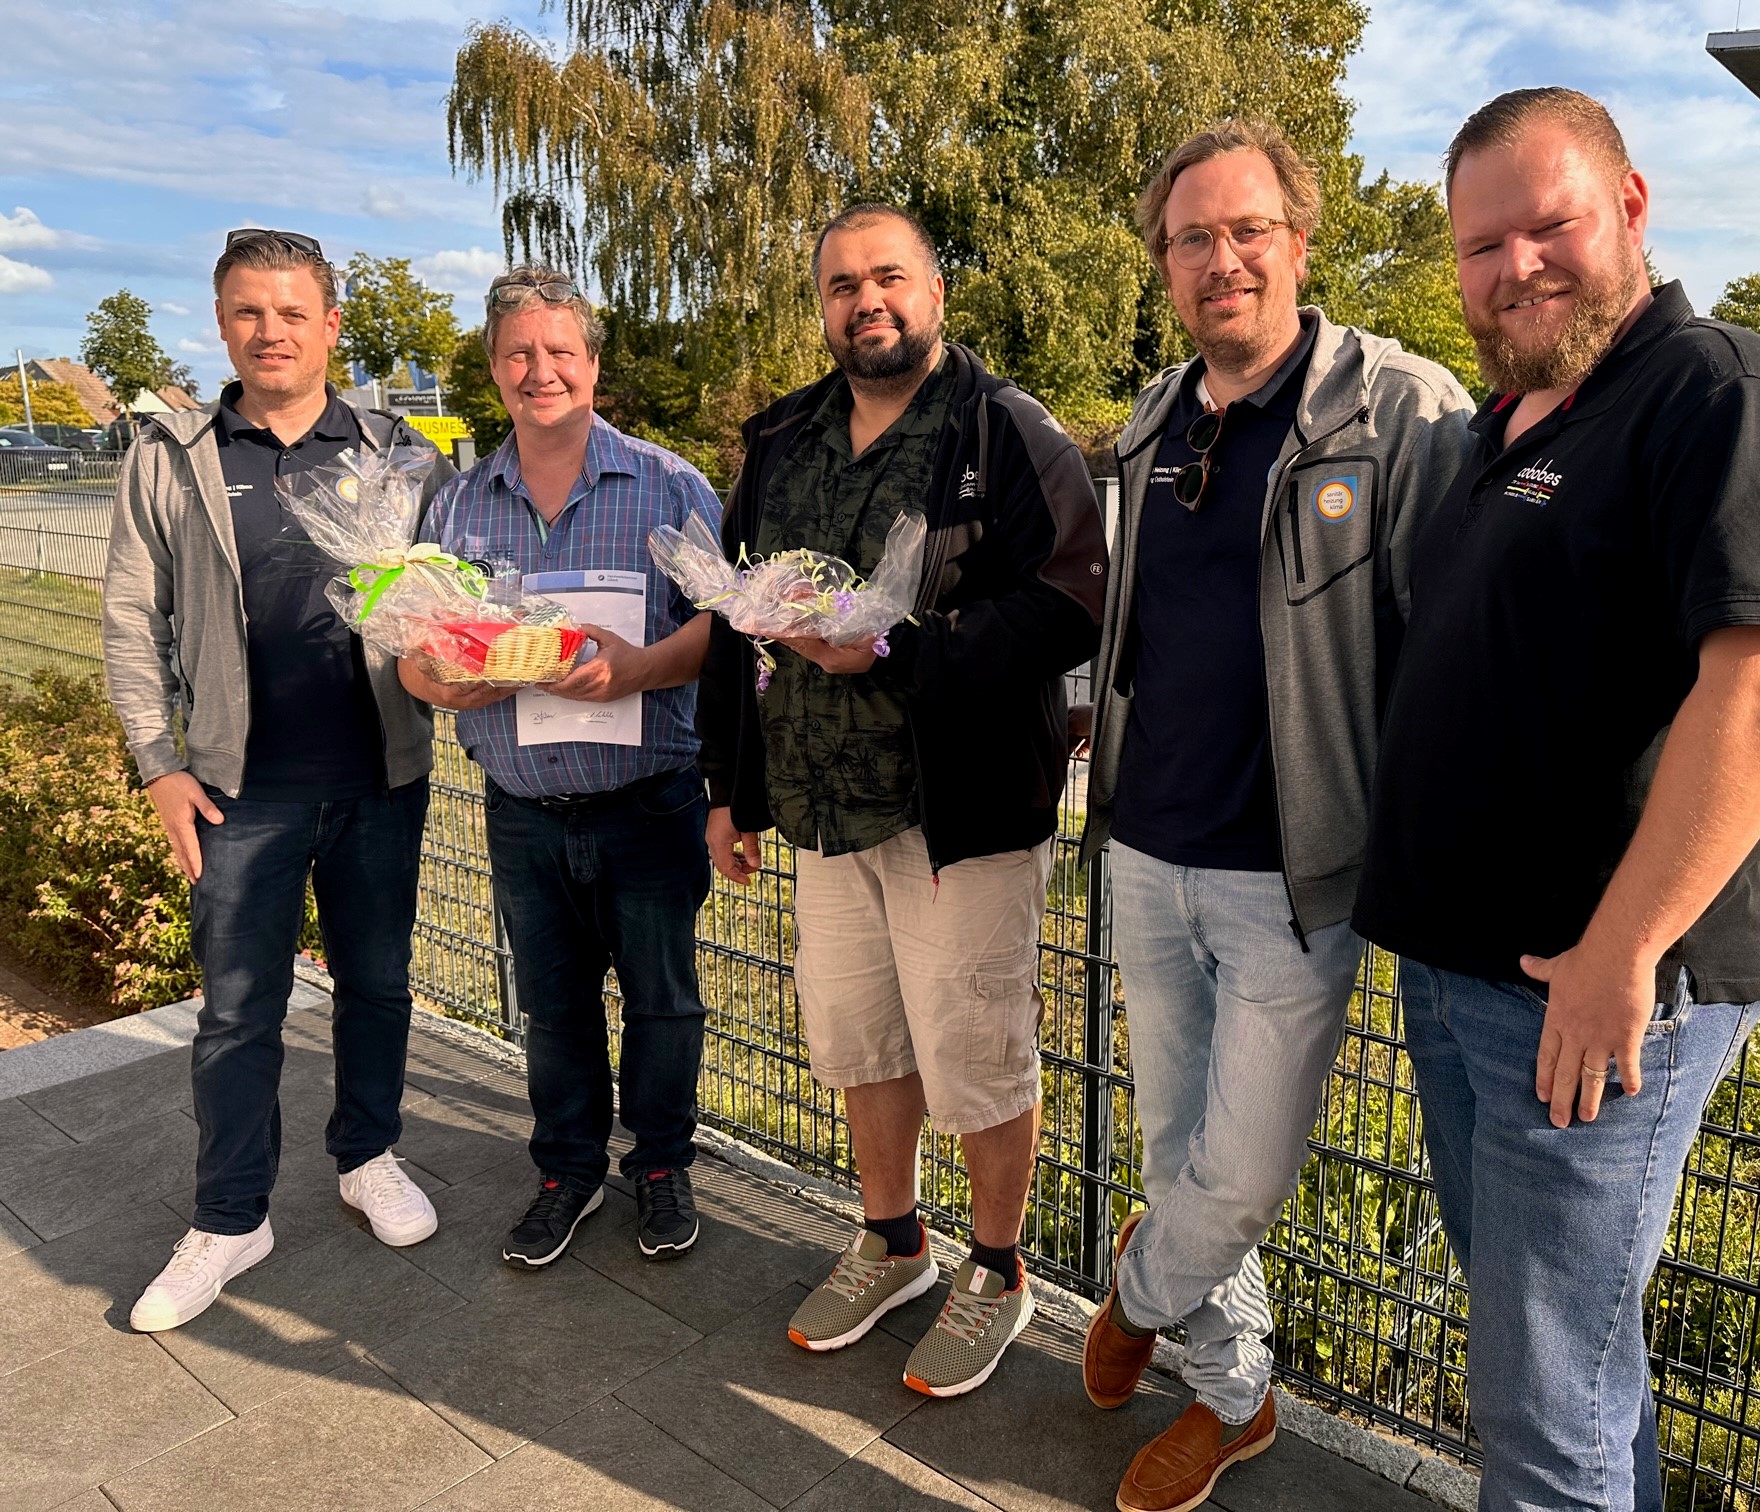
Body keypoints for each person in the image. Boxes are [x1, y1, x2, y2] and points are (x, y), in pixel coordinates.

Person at [1354, 89, 1760, 1511]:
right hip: (1470, 978)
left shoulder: (1716, 392)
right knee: (1567, 1363)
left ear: (1629, 206)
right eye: (1479, 244)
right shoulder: (1505, 426)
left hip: (1590, 993)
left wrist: (1622, 952)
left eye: (1547, 226)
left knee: (1542, 1411)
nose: (1515, 268)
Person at [1076, 121, 1475, 1512]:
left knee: (1239, 1171)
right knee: (1176, 1142)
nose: (1222, 259)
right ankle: (1234, 1394)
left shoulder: (1401, 409)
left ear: (1300, 241)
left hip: (1294, 875)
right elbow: (1133, 629)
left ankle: (1139, 1291)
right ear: (1165, 262)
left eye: (1249, 230)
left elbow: (1453, 640)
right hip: (1147, 849)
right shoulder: (1152, 420)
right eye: (1192, 237)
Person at [699, 204, 1105, 1398]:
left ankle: (997, 1269)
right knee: (861, 1038)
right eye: (840, 285)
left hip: (957, 815)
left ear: (935, 292)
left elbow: (1073, 605)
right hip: (822, 808)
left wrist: (901, 647)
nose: (864, 301)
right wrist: (730, 789)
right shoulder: (782, 439)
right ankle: (892, 1242)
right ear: (822, 307)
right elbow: (733, 622)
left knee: (976, 1050)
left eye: (887, 277)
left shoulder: (1003, 430)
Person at [104, 229, 455, 1332]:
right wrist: (159, 765)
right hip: (235, 791)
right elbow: (129, 617)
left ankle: (368, 1156)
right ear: (222, 324)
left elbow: (448, 600)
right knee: (237, 1011)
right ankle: (229, 1217)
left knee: (378, 985)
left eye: (293, 311)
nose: (272, 331)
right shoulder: (173, 457)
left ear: (330, 326)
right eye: (249, 311)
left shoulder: (399, 454)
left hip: (380, 779)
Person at [399, 266, 720, 1271]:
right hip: (524, 812)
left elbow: (721, 628)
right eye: (519, 354)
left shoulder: (669, 485)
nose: (541, 371)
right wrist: (445, 683)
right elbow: (415, 653)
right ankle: (567, 1171)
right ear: (494, 369)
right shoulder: (457, 508)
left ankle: (661, 1165)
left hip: (650, 805)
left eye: (560, 351)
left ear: (593, 362)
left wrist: (639, 668)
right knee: (555, 1007)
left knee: (664, 1002)